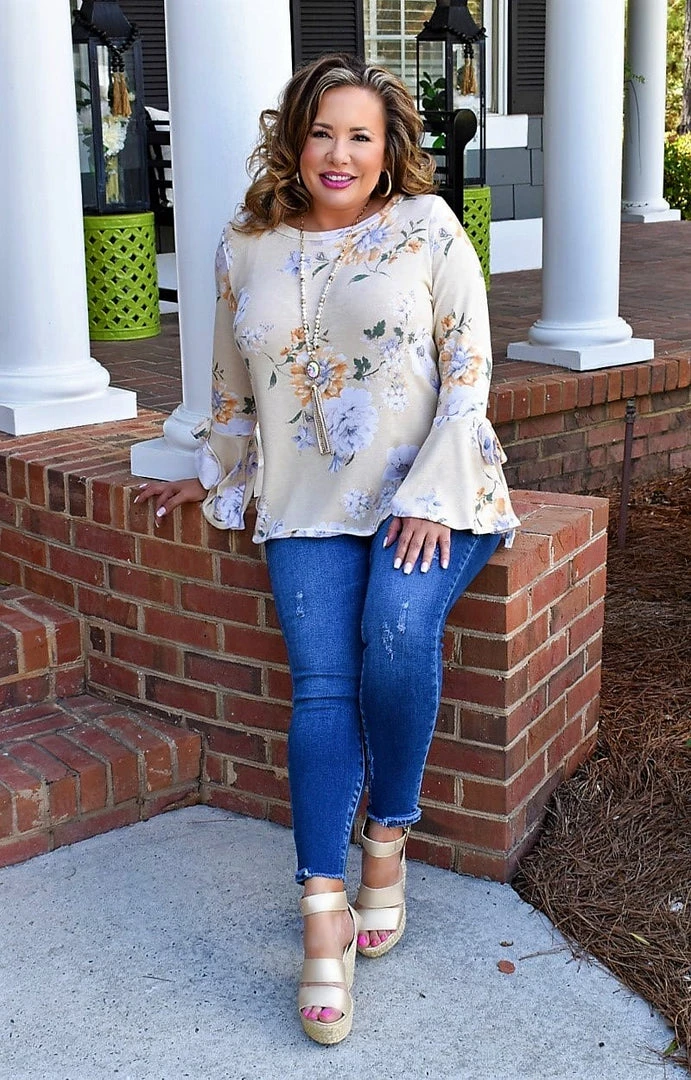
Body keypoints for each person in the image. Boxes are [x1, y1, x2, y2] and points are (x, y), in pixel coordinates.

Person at [135, 52, 520, 1045]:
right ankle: (322, 912)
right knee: (320, 689)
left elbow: (467, 368)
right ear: (293, 141)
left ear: (388, 149)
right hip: (305, 503)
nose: (338, 153)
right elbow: (231, 387)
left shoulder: (426, 227)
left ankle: (386, 833)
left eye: (359, 135)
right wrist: (216, 476)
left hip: (432, 490)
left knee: (396, 628)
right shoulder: (245, 245)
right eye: (321, 132)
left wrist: (431, 494)